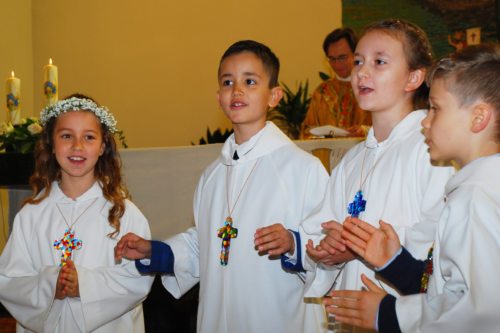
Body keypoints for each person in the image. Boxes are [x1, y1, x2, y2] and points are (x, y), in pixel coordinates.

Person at [114, 40, 330, 333]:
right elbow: (204, 244)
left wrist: (293, 243)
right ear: (219, 97)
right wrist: (154, 252)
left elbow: (327, 245)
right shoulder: (212, 176)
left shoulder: (302, 169)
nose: (237, 90)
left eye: (250, 81)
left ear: (274, 96)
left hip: (278, 317)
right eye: (228, 82)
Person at [327, 43, 500, 333]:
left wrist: (389, 313)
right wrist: (396, 263)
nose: (426, 122)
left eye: (435, 109)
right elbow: (452, 288)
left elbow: (482, 311)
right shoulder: (478, 188)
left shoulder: (475, 197)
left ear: (478, 117)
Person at [299, 19, 455, 332]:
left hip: (404, 311)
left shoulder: (431, 150)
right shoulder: (352, 159)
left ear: (414, 77)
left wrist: (358, 243)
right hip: (351, 313)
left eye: (379, 62)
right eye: (358, 61)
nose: (361, 72)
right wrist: (326, 251)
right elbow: (320, 226)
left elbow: (441, 241)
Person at [0, 95, 154, 332]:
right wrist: (51, 287)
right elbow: (9, 281)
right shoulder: (31, 214)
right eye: (66, 136)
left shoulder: (124, 213)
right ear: (51, 143)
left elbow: (138, 279)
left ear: (102, 146)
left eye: (89, 137)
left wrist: (84, 286)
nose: (77, 146)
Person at [301, 27, 371, 139]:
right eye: (332, 59)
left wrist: (365, 131)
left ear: (356, 54)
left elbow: (388, 126)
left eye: (342, 58)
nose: (337, 65)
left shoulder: (370, 86)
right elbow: (306, 130)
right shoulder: (322, 92)